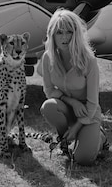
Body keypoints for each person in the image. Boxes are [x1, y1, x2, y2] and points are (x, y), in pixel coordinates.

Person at [39, 9, 106, 165]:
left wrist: (76, 127)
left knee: (83, 160)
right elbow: (49, 90)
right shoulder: (47, 58)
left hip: (88, 114)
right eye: (59, 32)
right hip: (68, 108)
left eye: (69, 32)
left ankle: (100, 137)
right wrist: (71, 101)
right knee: (48, 107)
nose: (64, 37)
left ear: (76, 33)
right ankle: (65, 140)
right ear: (52, 35)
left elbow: (92, 103)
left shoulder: (89, 60)